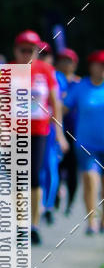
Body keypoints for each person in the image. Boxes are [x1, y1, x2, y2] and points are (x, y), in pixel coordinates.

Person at [12, 30, 68, 245]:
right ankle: (20, 225)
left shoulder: (46, 70)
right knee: (19, 180)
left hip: (39, 131)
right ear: (16, 50)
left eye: (31, 50)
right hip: (16, 131)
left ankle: (33, 224)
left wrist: (61, 135)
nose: (27, 54)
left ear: (37, 51)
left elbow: (55, 103)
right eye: (22, 50)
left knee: (34, 176)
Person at [63, 50, 104, 235]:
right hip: (86, 145)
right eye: (99, 65)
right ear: (92, 66)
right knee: (89, 178)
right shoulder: (81, 87)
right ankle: (91, 221)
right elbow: (62, 108)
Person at [36, 42, 61, 226]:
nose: (44, 57)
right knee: (37, 171)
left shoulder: (56, 76)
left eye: (47, 54)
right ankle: (39, 206)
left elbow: (61, 101)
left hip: (51, 130)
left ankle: (48, 204)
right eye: (41, 53)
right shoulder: (29, 73)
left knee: (50, 167)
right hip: (33, 128)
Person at [55, 47, 80, 215]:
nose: (66, 64)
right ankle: (53, 200)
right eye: (63, 60)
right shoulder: (54, 81)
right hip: (57, 131)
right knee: (56, 166)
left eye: (69, 61)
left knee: (72, 169)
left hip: (75, 132)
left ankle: (70, 201)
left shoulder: (80, 84)